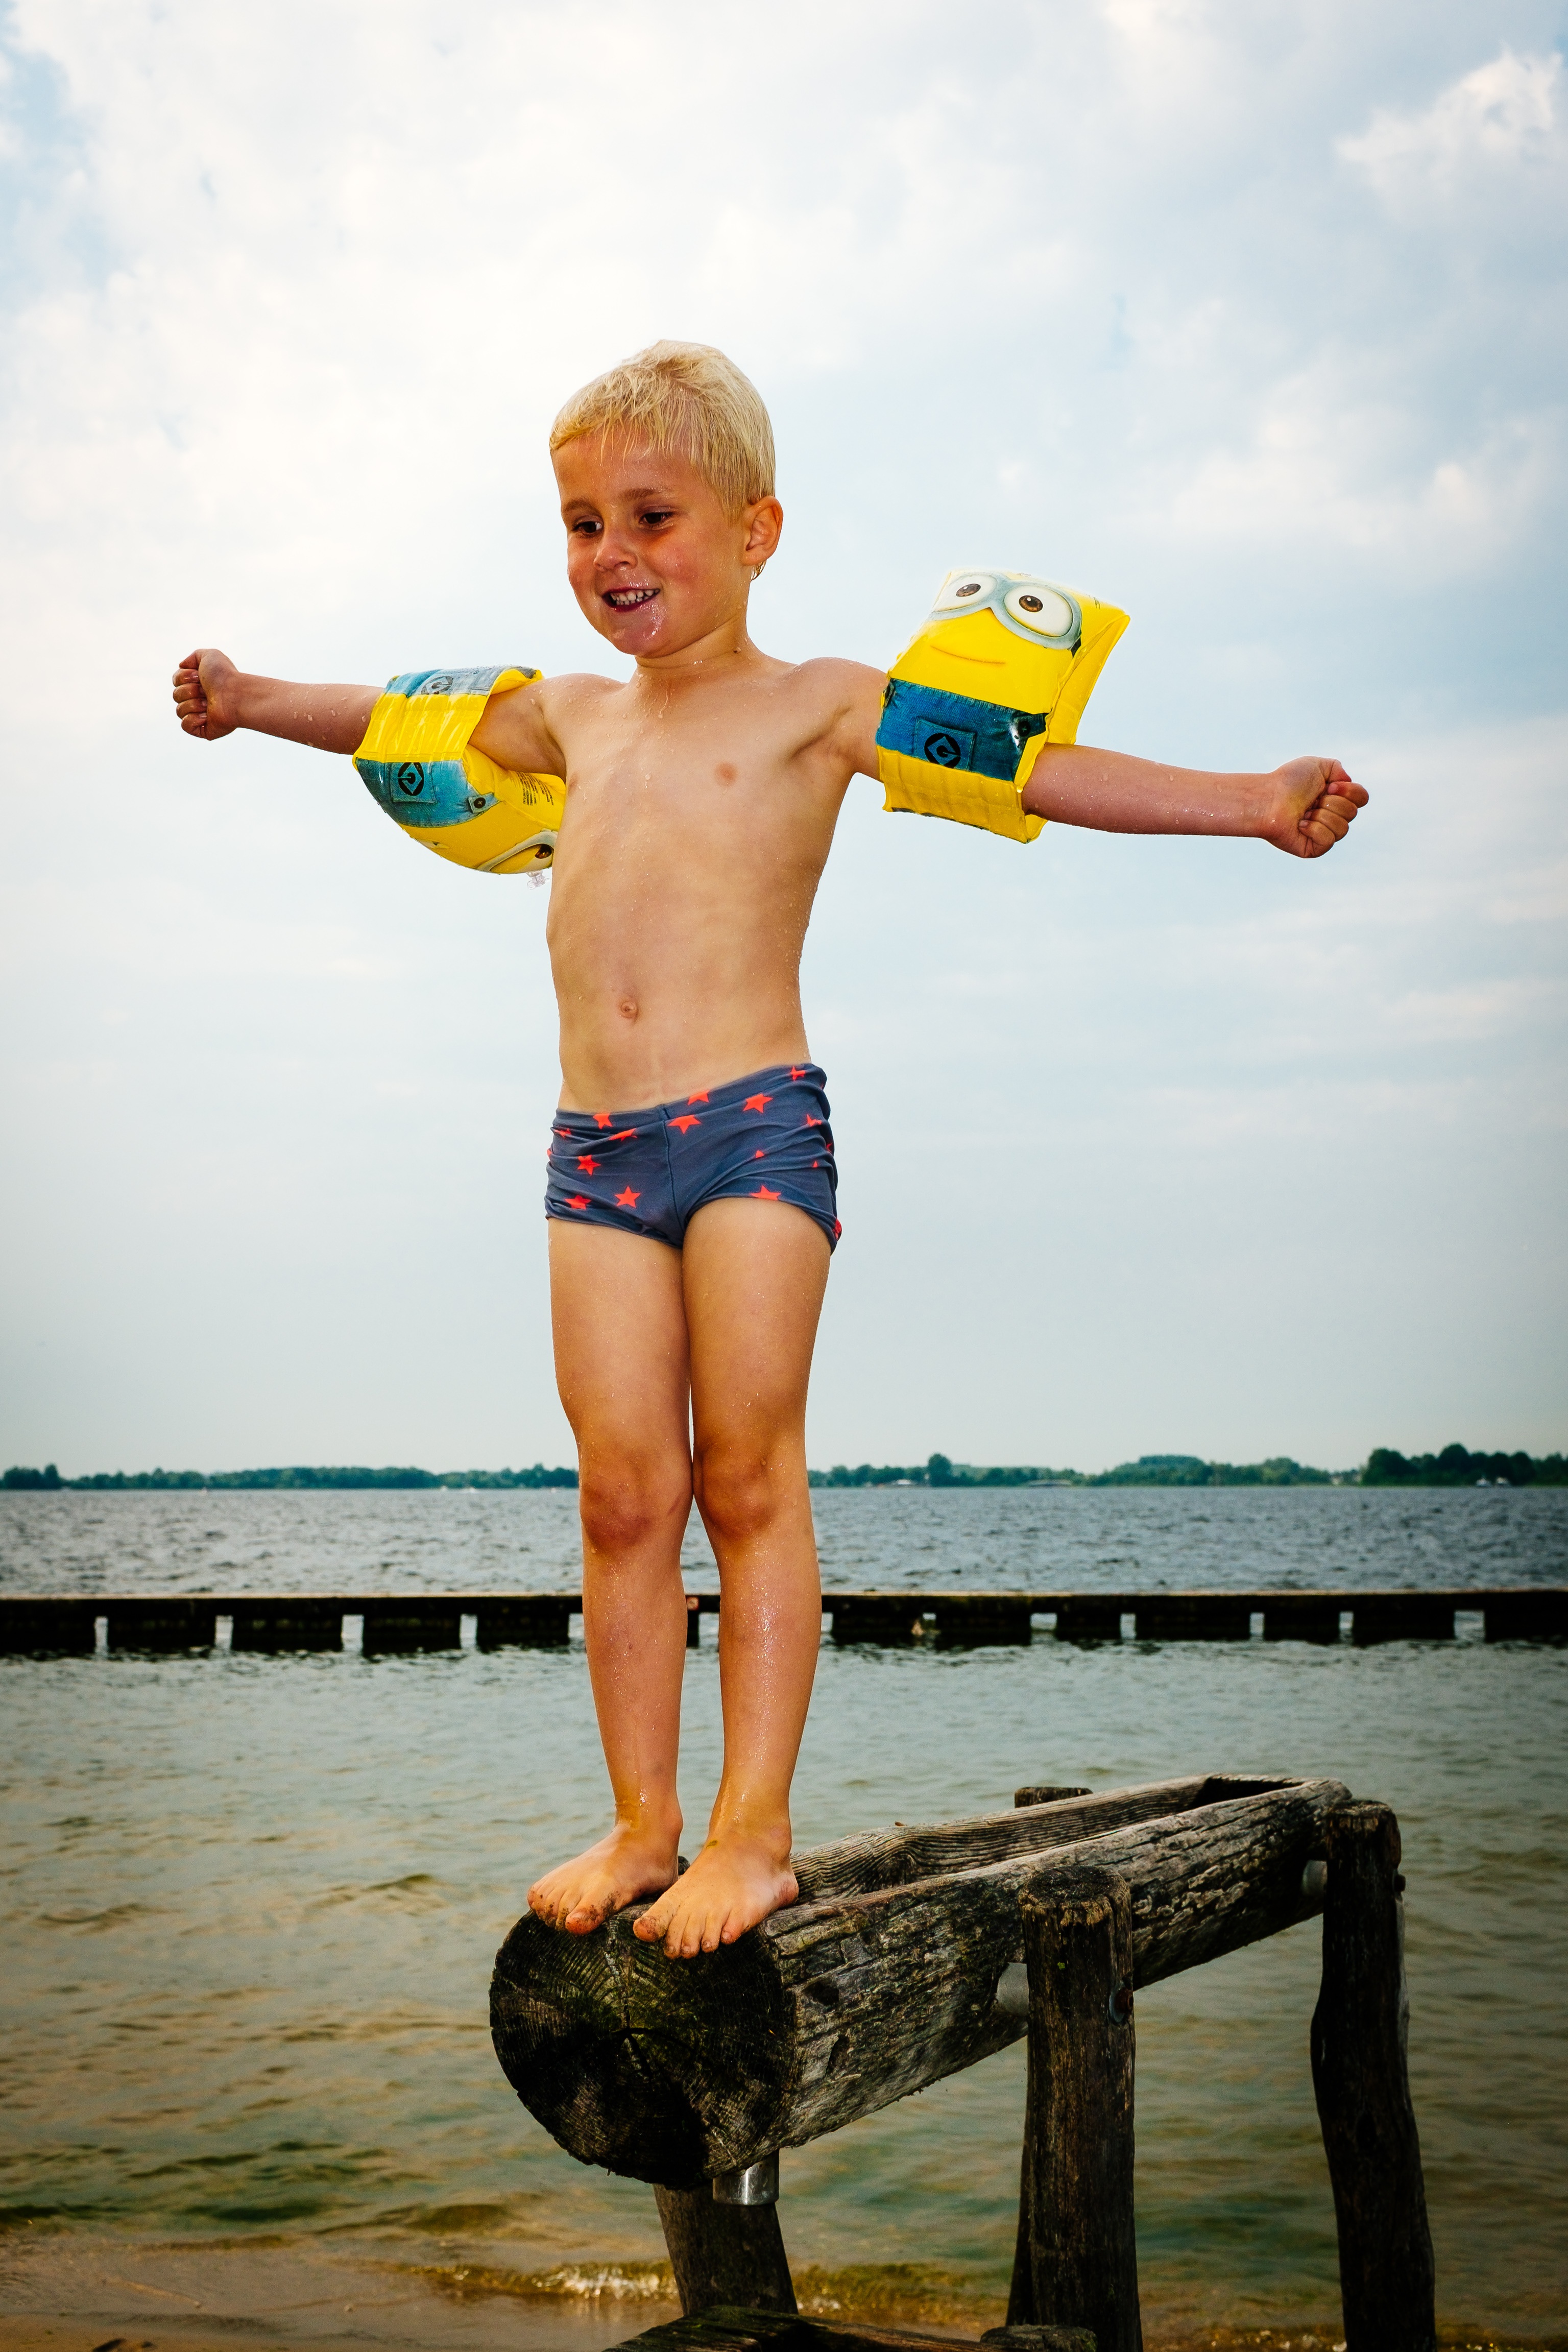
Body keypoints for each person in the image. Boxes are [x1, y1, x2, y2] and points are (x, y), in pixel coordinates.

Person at [172, 341, 1367, 1960]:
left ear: (758, 530)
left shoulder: (828, 706)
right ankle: (642, 1819)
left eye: (650, 515)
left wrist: (1250, 798)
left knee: (744, 1474)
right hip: (592, 1148)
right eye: (583, 524)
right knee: (618, 1494)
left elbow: (1036, 767)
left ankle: (752, 1833)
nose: (613, 556)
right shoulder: (574, 717)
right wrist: (249, 705)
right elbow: (400, 715)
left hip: (750, 1132)